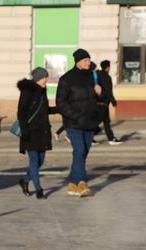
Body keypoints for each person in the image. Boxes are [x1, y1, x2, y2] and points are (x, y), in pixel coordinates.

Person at [56, 48, 101, 197]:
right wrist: (76, 116)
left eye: (89, 60)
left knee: (83, 152)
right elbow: (61, 103)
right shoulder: (66, 79)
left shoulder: (91, 77)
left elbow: (96, 99)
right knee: (80, 150)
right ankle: (82, 182)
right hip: (73, 123)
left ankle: (72, 183)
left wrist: (100, 92)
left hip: (89, 123)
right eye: (85, 61)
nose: (89, 63)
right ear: (78, 62)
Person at [17, 68, 57, 200]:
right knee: (34, 161)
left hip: (43, 131)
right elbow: (21, 112)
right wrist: (24, 131)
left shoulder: (42, 91)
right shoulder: (27, 91)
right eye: (45, 77)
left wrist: (58, 109)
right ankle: (39, 190)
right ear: (39, 78)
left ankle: (24, 180)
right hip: (30, 132)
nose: (47, 80)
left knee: (40, 161)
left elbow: (44, 110)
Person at [96, 60, 122, 145]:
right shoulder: (106, 77)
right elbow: (108, 90)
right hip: (103, 103)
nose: (109, 68)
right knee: (96, 122)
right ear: (107, 67)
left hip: (98, 102)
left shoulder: (98, 75)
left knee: (106, 122)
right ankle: (86, 136)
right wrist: (113, 100)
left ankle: (111, 138)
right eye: (109, 66)